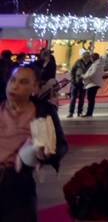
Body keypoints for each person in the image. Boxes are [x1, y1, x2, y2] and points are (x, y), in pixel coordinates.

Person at [0, 64, 69, 217]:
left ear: (35, 88)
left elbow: (61, 145)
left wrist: (44, 154)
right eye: (12, 80)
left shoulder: (44, 111)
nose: (15, 86)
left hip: (18, 184)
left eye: (23, 82)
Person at [68, 50, 91, 117]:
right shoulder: (78, 61)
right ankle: (71, 112)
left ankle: (79, 112)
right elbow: (73, 70)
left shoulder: (90, 63)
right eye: (85, 56)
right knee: (73, 98)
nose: (86, 57)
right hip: (76, 81)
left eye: (87, 56)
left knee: (82, 98)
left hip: (84, 83)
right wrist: (73, 80)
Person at [82, 52, 105, 117]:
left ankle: (89, 113)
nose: (90, 59)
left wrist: (84, 76)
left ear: (93, 58)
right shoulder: (98, 63)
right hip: (93, 83)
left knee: (90, 98)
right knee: (90, 98)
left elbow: (92, 74)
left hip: (93, 83)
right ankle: (89, 112)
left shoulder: (96, 64)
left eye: (91, 57)